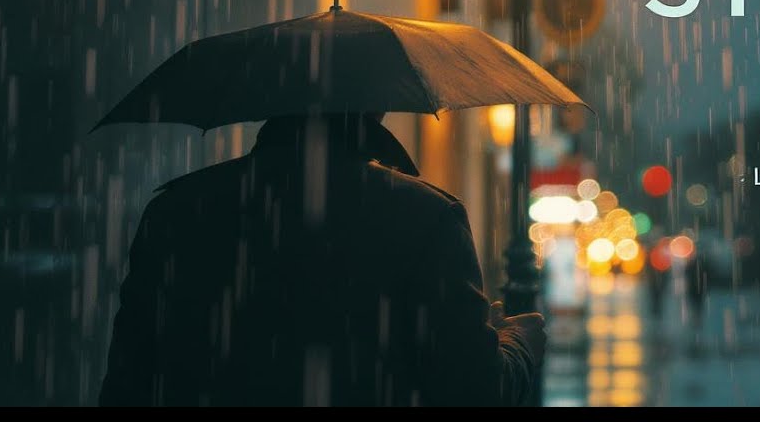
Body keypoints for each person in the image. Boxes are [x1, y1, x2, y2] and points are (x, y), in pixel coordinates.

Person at [99, 112, 545, 407]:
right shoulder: (425, 216)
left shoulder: (179, 210)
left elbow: (128, 378)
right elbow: (472, 389)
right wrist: (519, 343)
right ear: (377, 110)